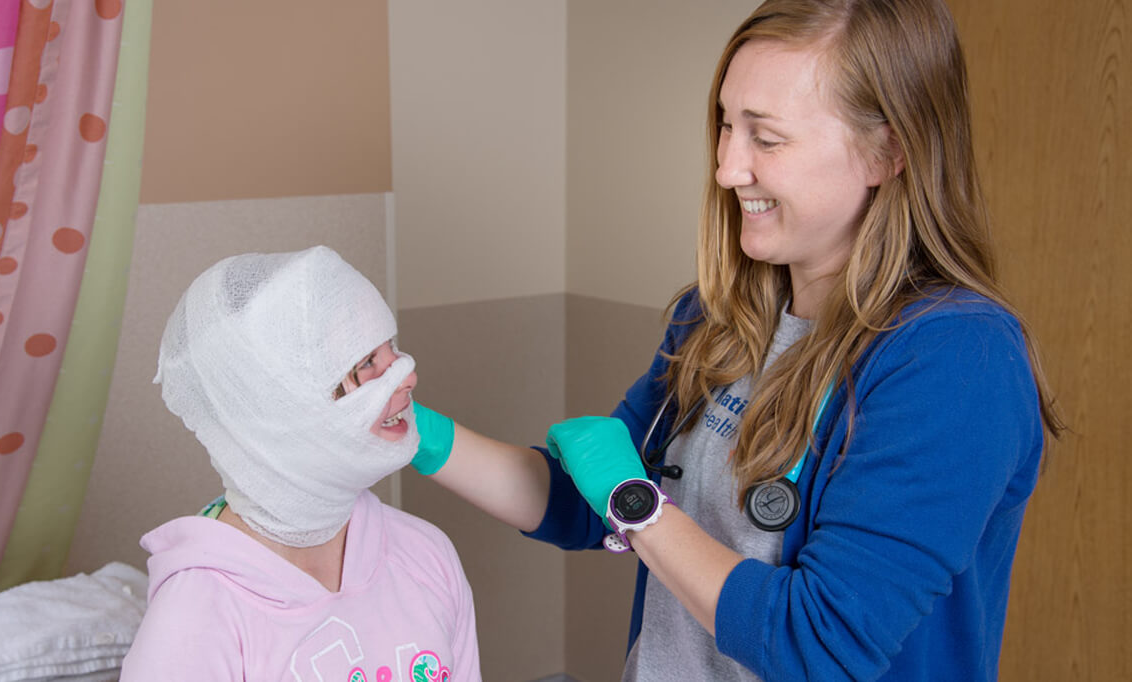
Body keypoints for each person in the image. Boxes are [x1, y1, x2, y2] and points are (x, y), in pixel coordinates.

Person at [407, 0, 1063, 680]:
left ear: (887, 151)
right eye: (725, 126)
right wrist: (413, 433)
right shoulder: (715, 319)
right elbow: (583, 503)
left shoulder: (957, 362)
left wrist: (636, 502)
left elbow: (820, 642)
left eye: (766, 138)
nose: (726, 168)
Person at [121, 246, 481, 682]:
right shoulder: (195, 616)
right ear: (278, 404)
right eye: (365, 362)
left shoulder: (426, 554)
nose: (406, 373)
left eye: (391, 347)